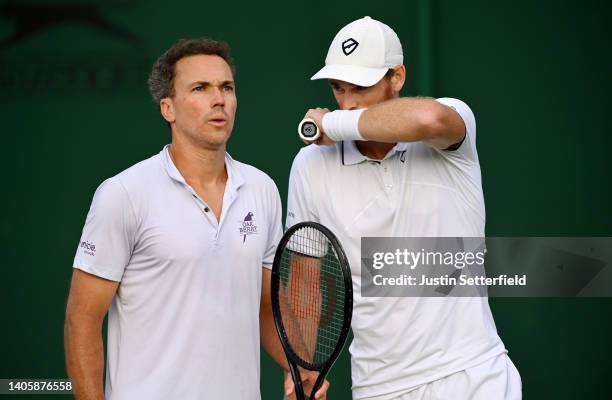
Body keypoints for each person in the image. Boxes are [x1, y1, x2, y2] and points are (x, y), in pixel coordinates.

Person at [64, 38, 328, 400]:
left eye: (227, 88)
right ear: (168, 108)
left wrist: (298, 368)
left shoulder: (261, 190)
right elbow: (82, 320)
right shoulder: (123, 194)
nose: (219, 99)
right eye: (200, 88)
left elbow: (266, 307)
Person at [286, 17, 522, 400]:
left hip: (475, 375)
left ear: (397, 77)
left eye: (360, 87)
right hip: (380, 387)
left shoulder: (447, 123)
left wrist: (335, 123)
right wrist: (303, 367)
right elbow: (304, 278)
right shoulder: (309, 165)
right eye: (337, 88)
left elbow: (428, 119)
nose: (347, 101)